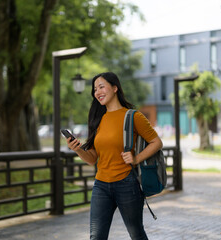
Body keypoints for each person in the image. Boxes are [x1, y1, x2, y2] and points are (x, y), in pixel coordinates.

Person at [66, 72, 163, 240]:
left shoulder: (133, 116)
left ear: (115, 88)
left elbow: (156, 142)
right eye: (95, 89)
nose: (97, 92)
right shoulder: (98, 119)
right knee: (96, 237)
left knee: (136, 234)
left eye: (101, 87)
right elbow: (92, 159)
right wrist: (78, 149)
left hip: (127, 184)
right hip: (101, 186)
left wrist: (136, 159)